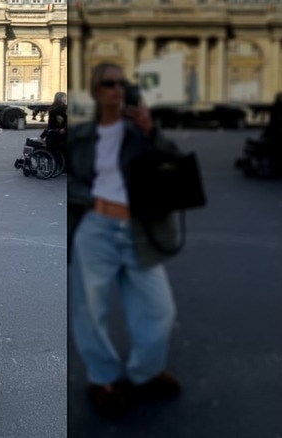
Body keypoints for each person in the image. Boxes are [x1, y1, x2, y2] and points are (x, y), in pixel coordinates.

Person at [67, 62, 182, 419]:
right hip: (96, 228)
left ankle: (145, 373)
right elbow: (66, 179)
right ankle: (103, 380)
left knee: (160, 309)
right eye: (108, 83)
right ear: (96, 91)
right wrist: (93, 199)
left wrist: (151, 132)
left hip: (138, 230)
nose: (116, 89)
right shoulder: (82, 136)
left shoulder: (140, 133)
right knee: (90, 312)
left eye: (121, 83)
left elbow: (175, 166)